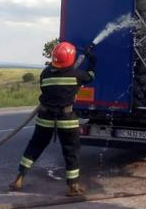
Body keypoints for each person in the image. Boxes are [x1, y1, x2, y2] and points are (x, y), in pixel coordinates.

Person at [9, 41, 96, 197]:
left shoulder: (45, 74)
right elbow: (90, 76)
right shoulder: (77, 75)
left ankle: (19, 178)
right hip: (66, 119)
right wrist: (92, 61)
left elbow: (46, 87)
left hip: (45, 117)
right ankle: (73, 186)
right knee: (71, 151)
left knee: (34, 147)